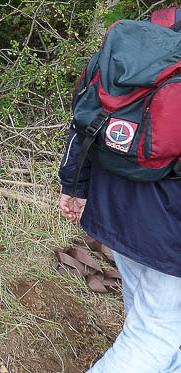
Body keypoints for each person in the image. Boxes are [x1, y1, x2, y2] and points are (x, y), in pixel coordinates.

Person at [58, 130, 181, 369]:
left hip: (119, 205)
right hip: (172, 226)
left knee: (144, 319)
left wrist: (75, 183)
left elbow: (85, 119)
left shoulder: (138, 88)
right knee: (152, 335)